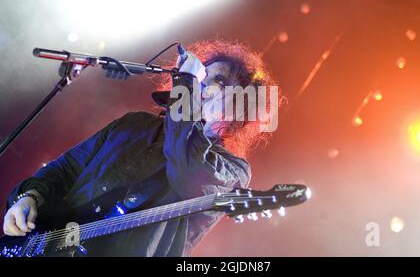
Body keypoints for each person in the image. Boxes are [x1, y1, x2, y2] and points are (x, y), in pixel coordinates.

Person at [2, 39, 277, 256]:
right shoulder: (134, 124)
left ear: (239, 106)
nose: (204, 83)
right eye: (203, 76)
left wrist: (187, 84)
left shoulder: (233, 170)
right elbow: (66, 169)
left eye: (219, 81)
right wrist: (29, 197)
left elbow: (186, 172)